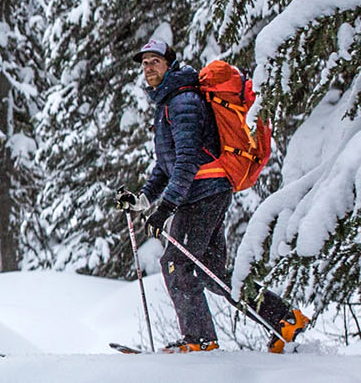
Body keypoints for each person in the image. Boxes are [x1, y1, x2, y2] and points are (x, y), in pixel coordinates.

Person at [117, 39, 308, 354]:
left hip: (203, 191)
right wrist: (143, 200)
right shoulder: (169, 101)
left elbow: (188, 161)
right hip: (203, 191)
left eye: (155, 61)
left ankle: (200, 340)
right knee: (212, 273)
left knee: (176, 263)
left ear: (169, 65)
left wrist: (167, 206)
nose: (148, 67)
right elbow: (166, 164)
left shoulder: (183, 102)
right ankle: (285, 319)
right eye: (145, 62)